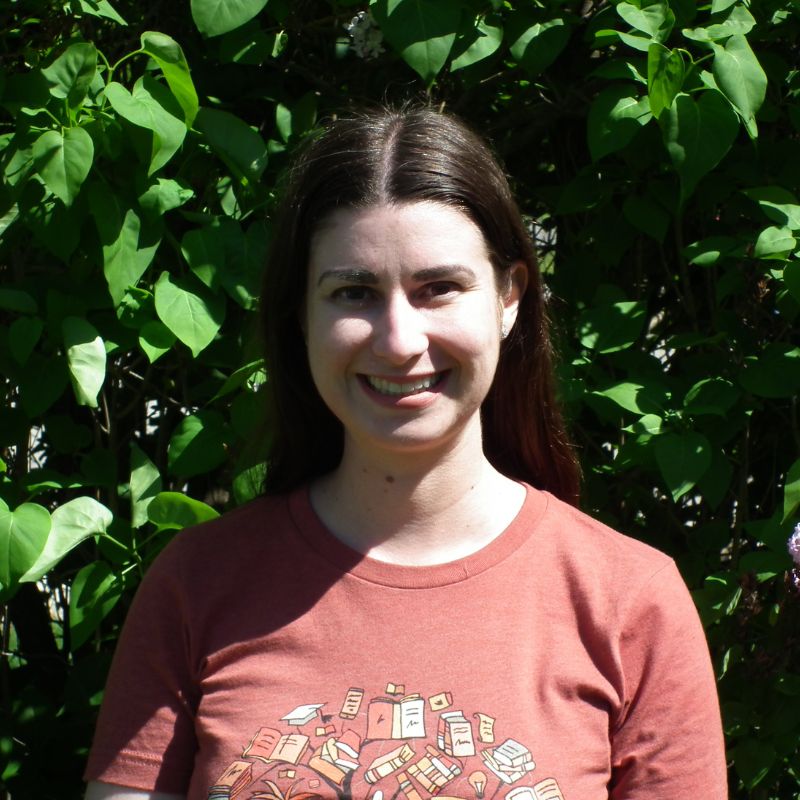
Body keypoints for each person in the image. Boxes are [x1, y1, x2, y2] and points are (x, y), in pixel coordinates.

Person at [84, 107, 728, 800]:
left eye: (439, 289)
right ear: (301, 313)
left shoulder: (630, 602)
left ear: (509, 297)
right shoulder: (198, 586)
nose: (398, 340)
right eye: (354, 292)